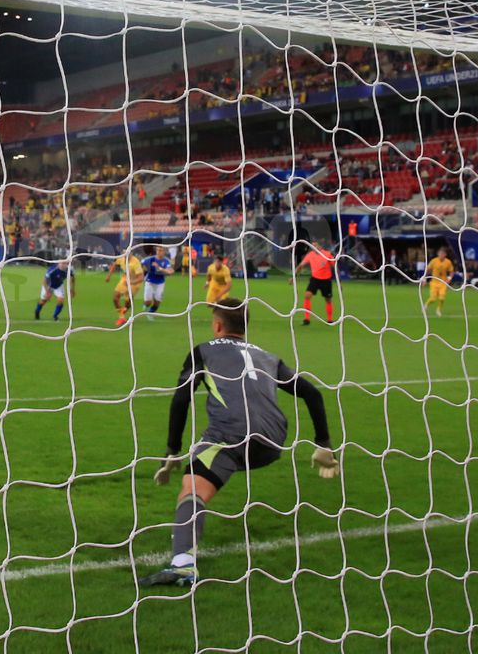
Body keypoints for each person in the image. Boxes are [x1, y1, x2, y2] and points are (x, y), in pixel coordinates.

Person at [139, 297, 338, 587]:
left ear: (217, 325)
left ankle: (183, 565)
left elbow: (182, 397)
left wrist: (173, 450)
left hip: (229, 436)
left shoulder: (203, 351)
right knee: (212, 457)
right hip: (272, 441)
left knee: (192, 489)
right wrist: (324, 444)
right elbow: (313, 394)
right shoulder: (269, 357)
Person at [291, 240, 337, 325]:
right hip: (315, 279)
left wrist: (339, 281)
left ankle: (330, 319)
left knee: (328, 300)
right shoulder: (310, 255)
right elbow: (301, 266)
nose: (314, 248)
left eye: (315, 246)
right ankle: (307, 319)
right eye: (312, 246)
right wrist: (294, 277)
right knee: (307, 295)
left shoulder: (327, 254)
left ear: (320, 246)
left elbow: (334, 266)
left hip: (326, 280)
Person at [106, 248, 145, 327]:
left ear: (131, 253)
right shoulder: (121, 258)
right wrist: (109, 275)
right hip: (125, 280)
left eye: (127, 253)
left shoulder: (135, 262)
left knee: (128, 302)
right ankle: (122, 317)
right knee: (115, 298)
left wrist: (131, 282)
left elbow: (141, 278)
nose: (125, 255)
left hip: (134, 283)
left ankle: (123, 314)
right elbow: (114, 264)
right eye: (124, 253)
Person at [140, 245, 174, 316]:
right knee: (148, 302)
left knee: (157, 302)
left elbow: (170, 272)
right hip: (150, 281)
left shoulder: (166, 261)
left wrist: (160, 268)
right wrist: (142, 272)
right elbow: (141, 263)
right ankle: (145, 305)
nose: (159, 252)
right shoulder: (150, 259)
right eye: (158, 250)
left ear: (164, 252)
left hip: (160, 283)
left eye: (161, 250)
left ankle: (150, 314)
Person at [423, 245, 455, 317]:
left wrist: (449, 278)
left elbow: (452, 271)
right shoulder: (434, 261)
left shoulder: (448, 262)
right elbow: (428, 270)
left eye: (443, 254)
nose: (441, 255)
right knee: (433, 298)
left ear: (445, 255)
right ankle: (426, 305)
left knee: (442, 298)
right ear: (438, 254)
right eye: (440, 253)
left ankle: (438, 310)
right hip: (434, 282)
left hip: (443, 282)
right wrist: (424, 279)